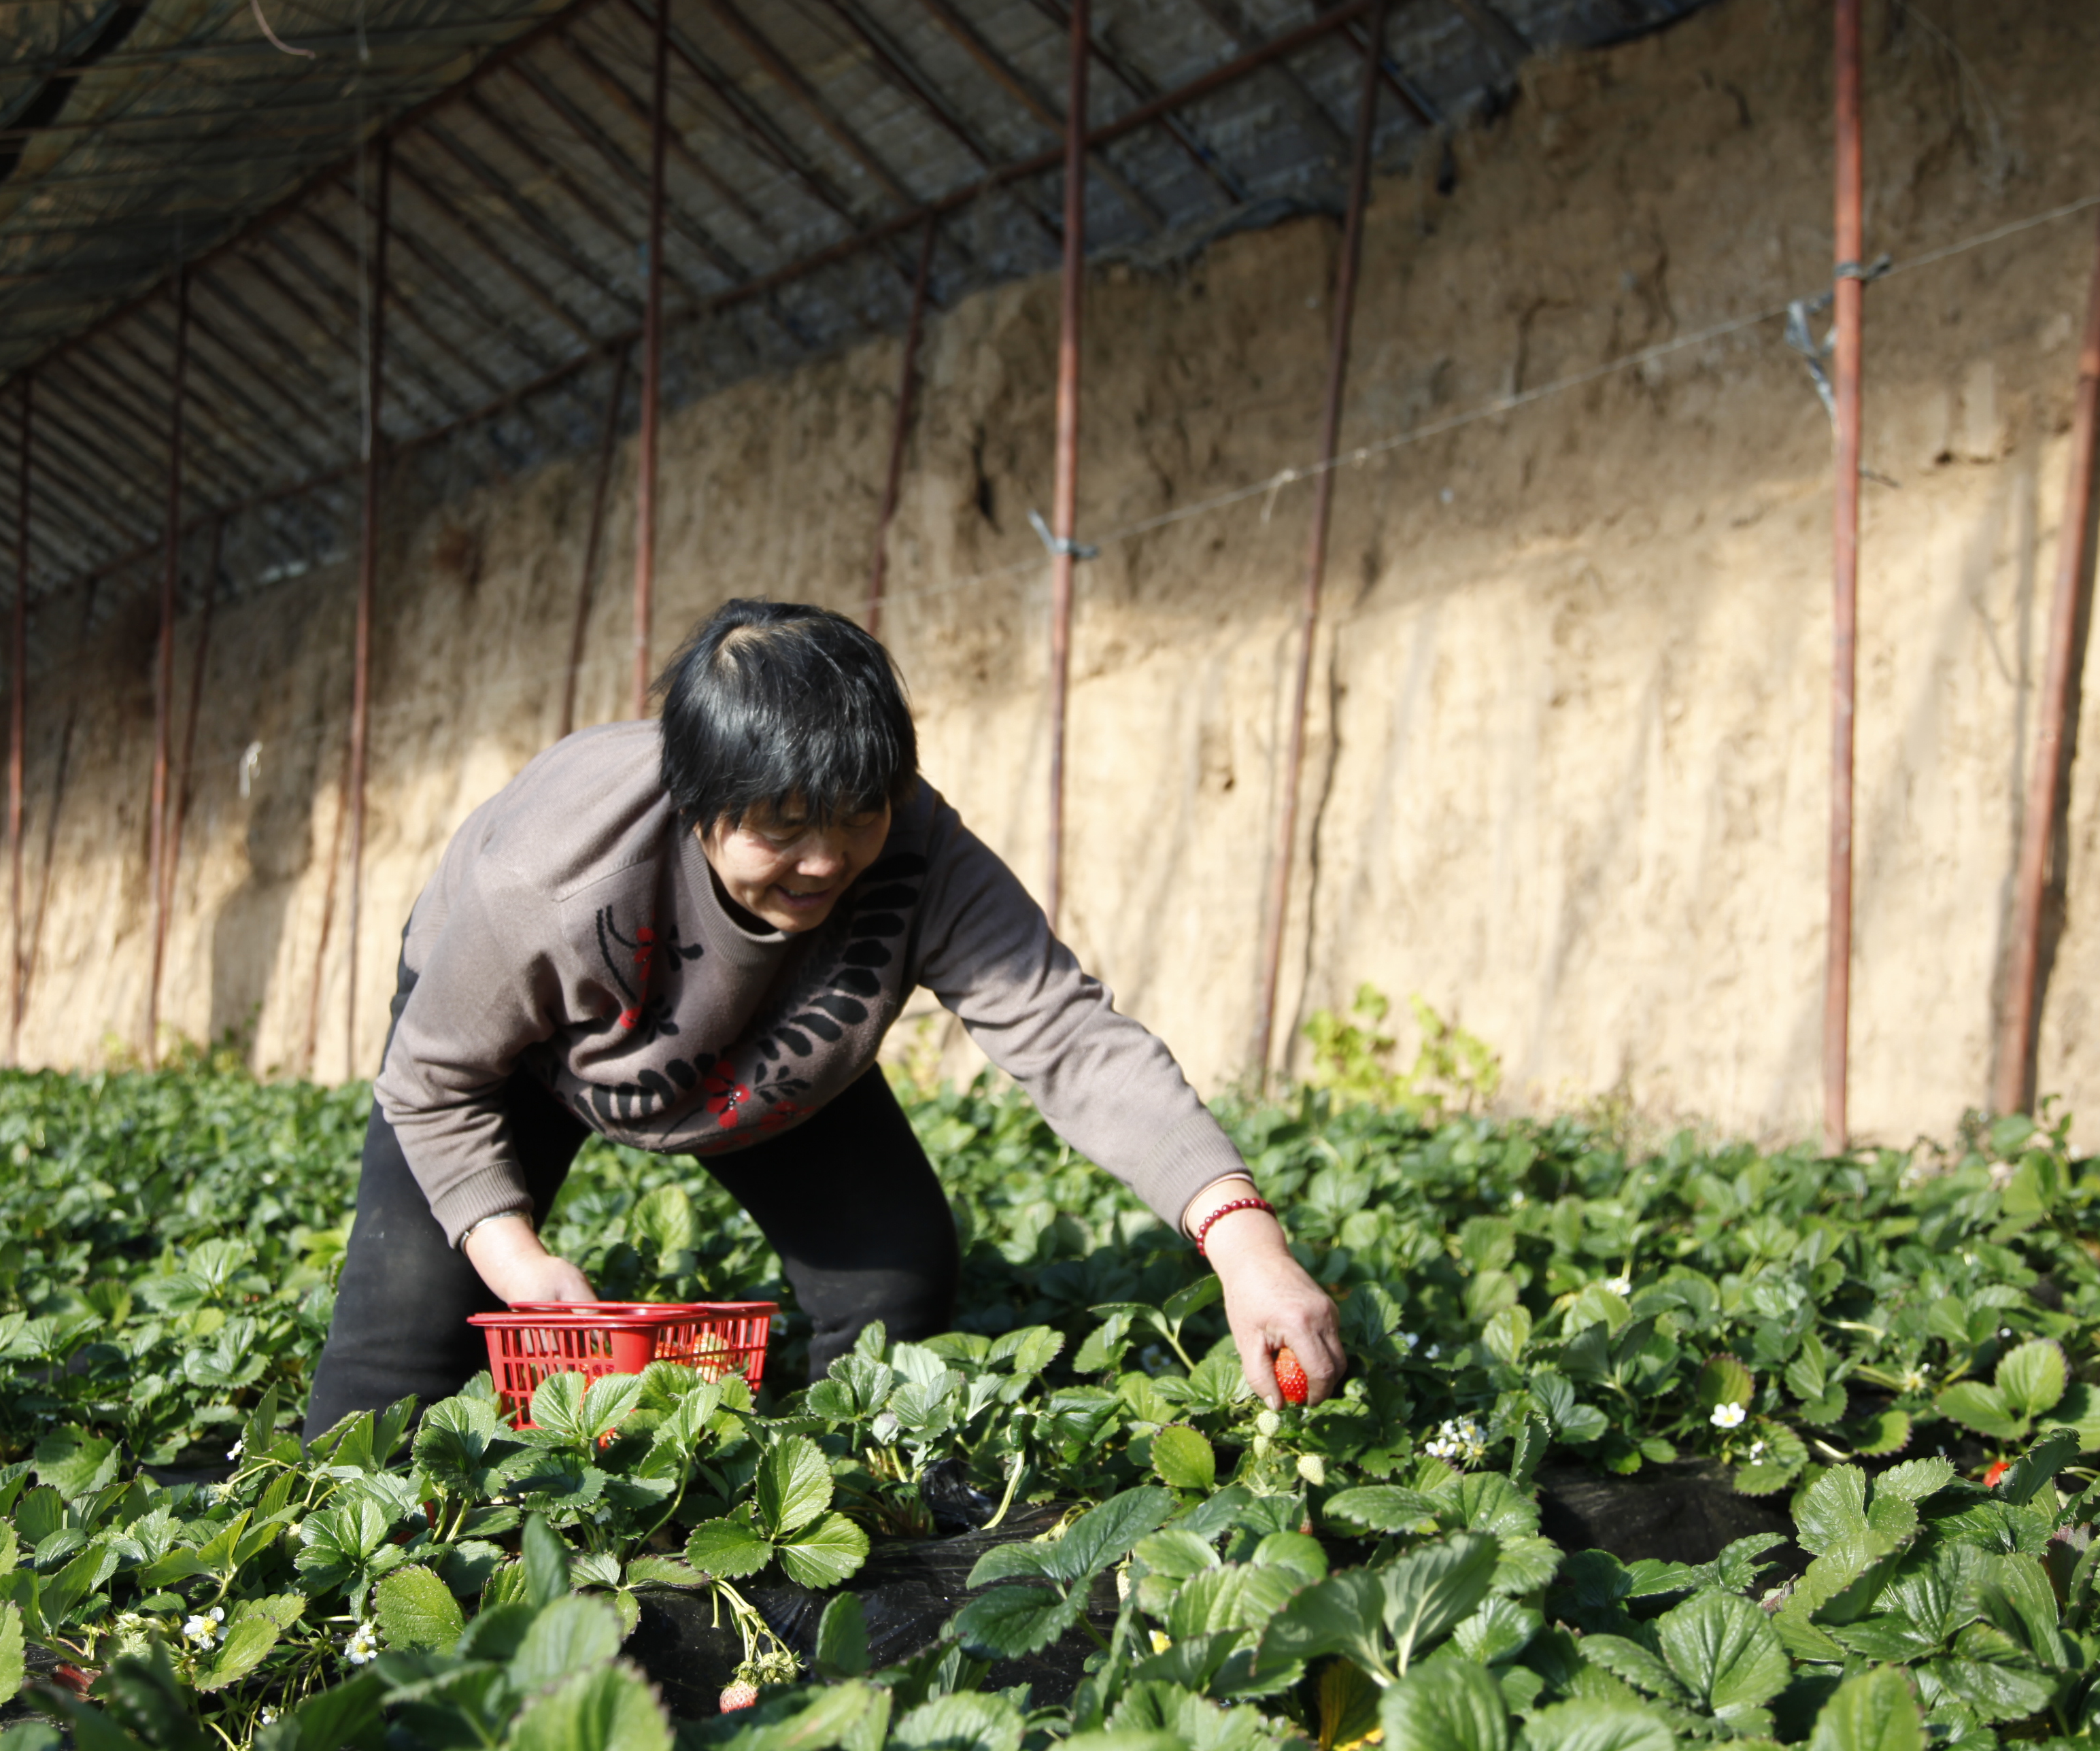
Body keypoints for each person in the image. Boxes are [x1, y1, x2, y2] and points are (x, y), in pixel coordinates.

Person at [304, 598, 1342, 1435]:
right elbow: (431, 1083)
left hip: (763, 1046)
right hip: (523, 1054)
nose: (826, 861)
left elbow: (1067, 1035)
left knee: (896, 1271)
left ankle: (843, 1491)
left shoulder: (918, 850)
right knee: (395, 1359)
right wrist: (517, 1263)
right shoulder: (547, 883)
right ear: (694, 803)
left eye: (858, 816)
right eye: (783, 830)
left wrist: (1244, 1245)